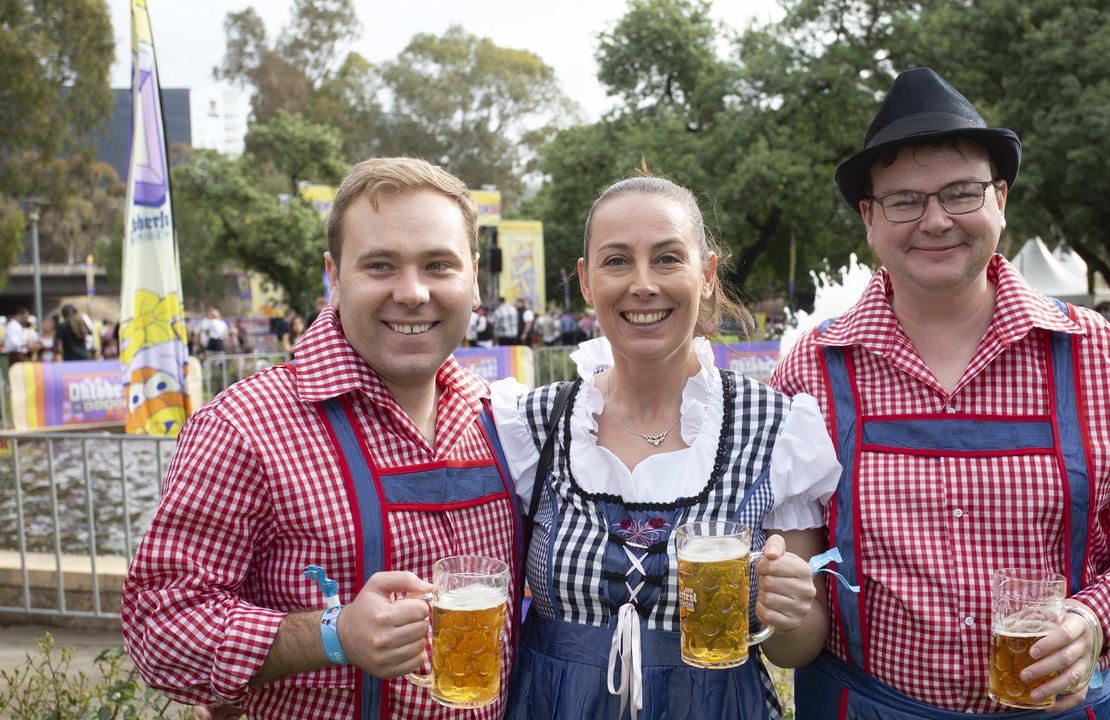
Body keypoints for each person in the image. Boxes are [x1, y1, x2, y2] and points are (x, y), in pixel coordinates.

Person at [770, 67, 1110, 718]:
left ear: (1001, 200)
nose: (935, 221)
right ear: (870, 219)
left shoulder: (1097, 356)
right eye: (904, 201)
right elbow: (797, 570)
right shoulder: (811, 371)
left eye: (960, 193)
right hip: (866, 705)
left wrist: (1098, 616)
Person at [121, 157, 523, 720]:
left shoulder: (501, 418)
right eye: (380, 265)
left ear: (473, 278)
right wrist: (332, 635)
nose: (411, 293)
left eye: (438, 265)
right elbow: (158, 627)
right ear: (334, 277)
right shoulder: (245, 426)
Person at [492, 174, 840, 720]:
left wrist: (791, 610)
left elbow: (796, 648)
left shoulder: (774, 427)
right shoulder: (534, 424)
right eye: (616, 261)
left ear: (706, 274)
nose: (643, 284)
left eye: (668, 258)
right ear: (585, 281)